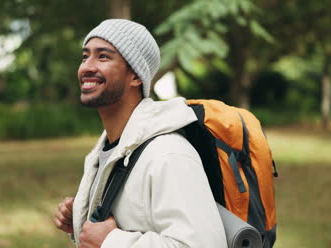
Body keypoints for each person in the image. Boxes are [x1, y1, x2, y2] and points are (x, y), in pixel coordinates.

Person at [54, 19, 227, 248]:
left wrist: (110, 241)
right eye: (85, 56)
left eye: (103, 56)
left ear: (136, 76)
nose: (87, 66)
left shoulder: (168, 154)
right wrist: (82, 218)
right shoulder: (111, 149)